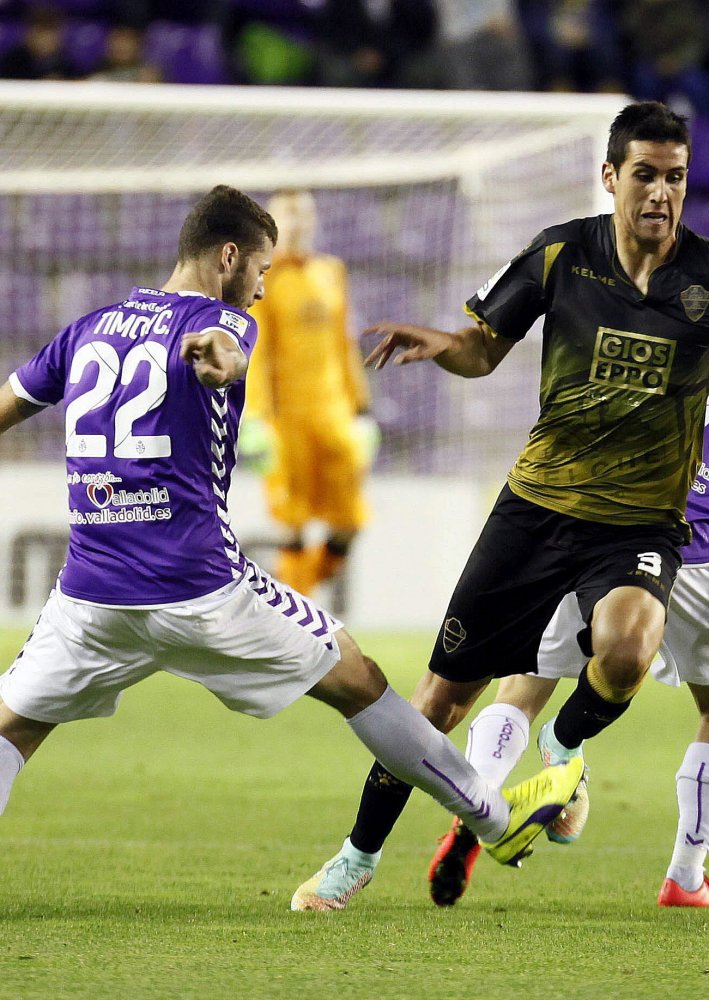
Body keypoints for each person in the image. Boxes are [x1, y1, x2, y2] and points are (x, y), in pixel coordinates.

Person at [307, 101, 709, 910]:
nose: (661, 193)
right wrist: (441, 344)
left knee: (627, 649)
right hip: (538, 508)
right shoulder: (561, 253)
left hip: (640, 525)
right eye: (646, 175)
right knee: (439, 701)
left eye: (676, 178)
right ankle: (354, 857)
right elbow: (482, 348)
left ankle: (559, 747)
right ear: (611, 176)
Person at [0, 185, 583, 909]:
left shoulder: (87, 328)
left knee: (13, 729)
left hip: (90, 599)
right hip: (200, 589)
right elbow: (227, 348)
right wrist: (219, 358)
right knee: (358, 678)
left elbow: (8, 406)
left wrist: (221, 362)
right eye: (262, 270)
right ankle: (492, 819)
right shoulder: (220, 320)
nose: (264, 287)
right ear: (228, 256)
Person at [428, 331, 709, 909]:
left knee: (523, 684)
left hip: (598, 532)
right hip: (692, 552)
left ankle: (475, 810)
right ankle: (686, 877)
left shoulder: (651, 326)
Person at [241, 189, 378, 598]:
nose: (298, 223)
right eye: (288, 215)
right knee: (292, 523)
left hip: (336, 415)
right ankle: (299, 617)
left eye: (304, 214)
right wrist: (256, 416)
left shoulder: (331, 270)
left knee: (351, 523)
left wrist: (362, 407)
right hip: (287, 420)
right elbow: (259, 351)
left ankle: (289, 598)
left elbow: (344, 343)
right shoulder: (263, 278)